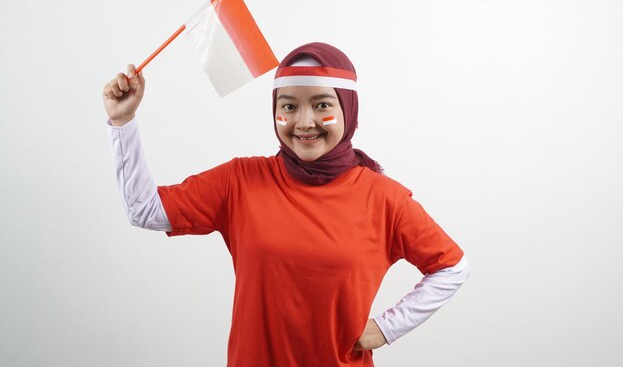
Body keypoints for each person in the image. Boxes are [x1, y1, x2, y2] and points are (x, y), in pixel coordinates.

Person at [103, 42, 470, 367]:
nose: (304, 122)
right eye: (289, 105)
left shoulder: (385, 198)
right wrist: (122, 122)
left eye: (322, 104)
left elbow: (451, 267)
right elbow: (144, 210)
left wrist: (387, 329)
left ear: (348, 109)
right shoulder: (240, 181)